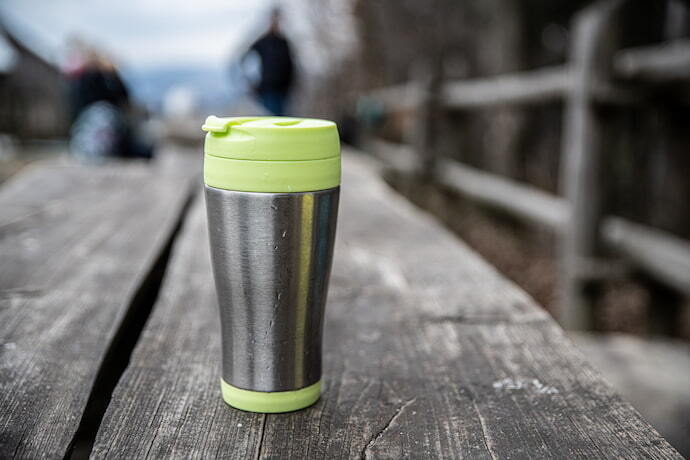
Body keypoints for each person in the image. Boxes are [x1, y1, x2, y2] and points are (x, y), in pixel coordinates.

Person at [246, 9, 295, 116]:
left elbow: (291, 67)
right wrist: (251, 83)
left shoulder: (284, 43)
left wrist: (290, 85)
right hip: (267, 92)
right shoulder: (262, 42)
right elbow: (246, 60)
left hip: (284, 92)